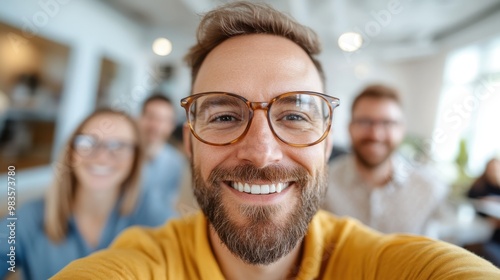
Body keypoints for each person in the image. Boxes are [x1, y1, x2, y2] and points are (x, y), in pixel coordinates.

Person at [53, 2, 499, 279]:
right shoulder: (142, 264)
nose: (262, 152)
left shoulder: (387, 265)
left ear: (326, 143)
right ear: (189, 144)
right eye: (225, 115)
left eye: (294, 116)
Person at [0, 108, 163, 280]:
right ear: (71, 152)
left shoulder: (153, 216)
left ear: (135, 158)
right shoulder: (29, 218)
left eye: (118, 146)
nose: (101, 157)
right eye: (88, 143)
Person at [322, 84, 448, 235]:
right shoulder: (323, 184)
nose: (376, 135)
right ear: (350, 127)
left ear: (401, 130)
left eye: (387, 123)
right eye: (364, 122)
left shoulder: (430, 189)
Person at [136, 94, 187, 223]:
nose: (156, 126)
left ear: (171, 125)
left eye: (163, 120)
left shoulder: (177, 163)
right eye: (151, 117)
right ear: (139, 118)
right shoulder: (123, 156)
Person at [468, 158, 500, 266]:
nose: (493, 171)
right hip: (481, 226)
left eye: (496, 168)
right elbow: (469, 199)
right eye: (491, 168)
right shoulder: (479, 185)